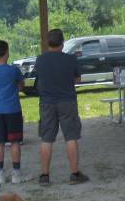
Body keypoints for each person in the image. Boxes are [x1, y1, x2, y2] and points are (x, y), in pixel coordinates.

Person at [35, 29, 89, 186]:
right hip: (67, 101)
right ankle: (74, 174)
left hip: (46, 103)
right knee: (71, 137)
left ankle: (44, 175)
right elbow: (78, 79)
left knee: (46, 139)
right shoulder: (71, 59)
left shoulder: (40, 59)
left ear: (47, 42)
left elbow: (40, 78)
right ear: (63, 42)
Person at [0, 40, 25, 184]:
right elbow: (21, 85)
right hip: (13, 110)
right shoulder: (13, 70)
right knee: (15, 142)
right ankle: (16, 174)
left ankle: (0, 174)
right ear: (7, 53)